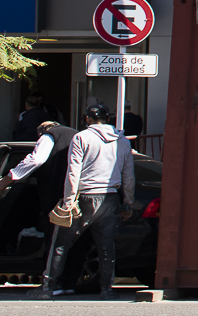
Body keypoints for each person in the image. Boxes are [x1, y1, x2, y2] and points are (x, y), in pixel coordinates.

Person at [46, 100, 134, 298]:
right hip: (110, 198)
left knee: (60, 243)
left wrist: (68, 201)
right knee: (106, 247)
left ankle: (47, 288)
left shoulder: (81, 138)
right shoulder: (122, 140)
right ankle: (106, 289)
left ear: (87, 119)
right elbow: (128, 174)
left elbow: (73, 172)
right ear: (108, 118)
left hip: (85, 195)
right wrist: (128, 201)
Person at [0, 116, 79, 290]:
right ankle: (70, 282)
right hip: (81, 195)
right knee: (75, 242)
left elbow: (35, 160)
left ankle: (51, 284)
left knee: (55, 241)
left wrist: (6, 181)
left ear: (41, 133)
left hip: (58, 197)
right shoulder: (78, 135)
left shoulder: (49, 136)